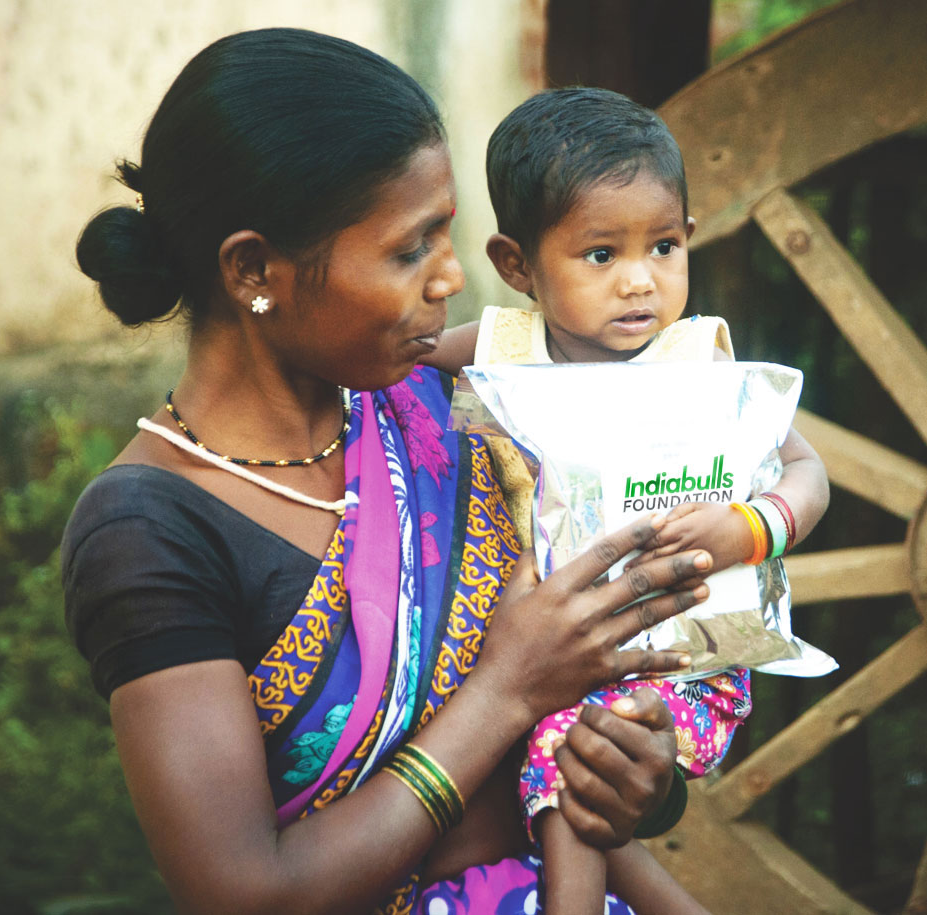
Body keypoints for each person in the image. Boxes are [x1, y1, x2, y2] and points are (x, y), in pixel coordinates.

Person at [63, 30, 722, 915]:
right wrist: (506, 688)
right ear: (254, 269)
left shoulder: (454, 412)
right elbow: (244, 893)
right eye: (411, 249)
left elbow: (571, 741)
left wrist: (639, 777)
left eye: (446, 236)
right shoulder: (148, 531)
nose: (453, 276)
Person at [421, 87, 830, 914]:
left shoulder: (698, 359)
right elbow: (393, 357)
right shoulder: (502, 347)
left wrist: (750, 527)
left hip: (681, 646)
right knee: (556, 744)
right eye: (600, 255)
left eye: (665, 246)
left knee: (579, 761)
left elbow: (808, 472)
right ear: (516, 266)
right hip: (547, 645)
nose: (640, 281)